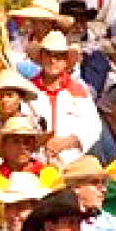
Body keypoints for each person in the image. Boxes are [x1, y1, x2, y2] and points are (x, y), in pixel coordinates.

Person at [27, 29, 106, 160]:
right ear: (41, 57)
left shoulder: (79, 91)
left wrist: (68, 142)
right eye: (48, 54)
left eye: (58, 56)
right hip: (35, 164)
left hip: (70, 165)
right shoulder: (28, 90)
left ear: (65, 61)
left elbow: (94, 127)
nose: (53, 61)